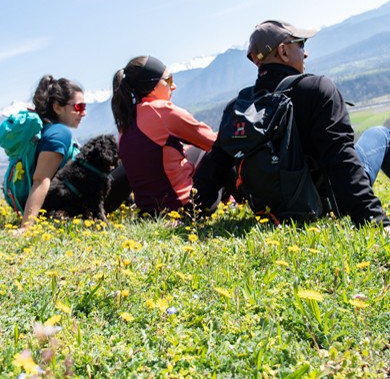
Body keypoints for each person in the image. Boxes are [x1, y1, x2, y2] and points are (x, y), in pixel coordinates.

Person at [196, 20, 390, 230]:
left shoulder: (238, 108)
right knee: (380, 134)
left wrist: (192, 212)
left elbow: (214, 165)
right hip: (326, 203)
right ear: (283, 51)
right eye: (301, 43)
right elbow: (341, 156)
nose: (305, 53)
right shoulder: (317, 89)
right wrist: (373, 219)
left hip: (272, 210)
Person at [111, 55, 218, 214]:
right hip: (185, 207)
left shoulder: (126, 121)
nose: (173, 86)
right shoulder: (162, 111)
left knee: (192, 151)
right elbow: (214, 142)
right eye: (168, 80)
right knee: (224, 148)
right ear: (152, 86)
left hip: (150, 211)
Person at [16, 75, 87, 231]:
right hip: (65, 206)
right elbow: (41, 179)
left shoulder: (46, 130)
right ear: (57, 108)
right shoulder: (59, 134)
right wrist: (25, 228)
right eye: (79, 107)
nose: (84, 113)